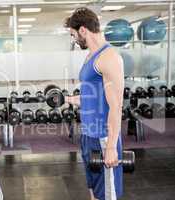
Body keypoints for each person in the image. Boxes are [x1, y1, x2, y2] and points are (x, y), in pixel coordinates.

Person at [64, 7, 124, 200]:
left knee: (107, 194)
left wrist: (112, 146)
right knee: (94, 191)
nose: (75, 40)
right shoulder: (91, 56)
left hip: (103, 137)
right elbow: (91, 97)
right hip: (88, 135)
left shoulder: (108, 57)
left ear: (83, 30)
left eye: (74, 35)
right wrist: (65, 99)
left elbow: (116, 106)